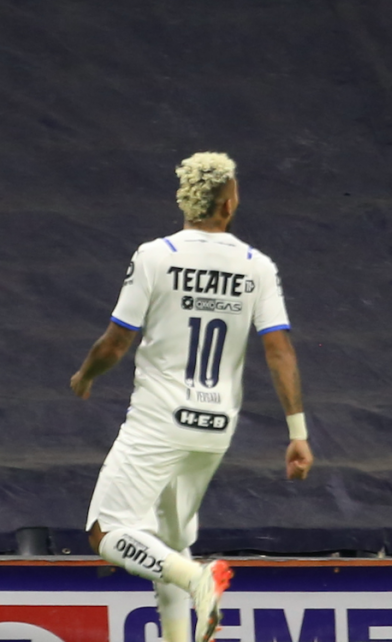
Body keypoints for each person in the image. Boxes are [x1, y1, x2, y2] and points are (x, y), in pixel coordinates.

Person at [70, 152, 314, 642]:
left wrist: (84, 375)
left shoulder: (155, 256)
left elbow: (116, 342)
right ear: (228, 205)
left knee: (108, 532)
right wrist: (297, 435)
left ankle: (199, 579)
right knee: (168, 547)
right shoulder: (256, 266)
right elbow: (280, 351)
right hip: (215, 427)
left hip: (160, 421)